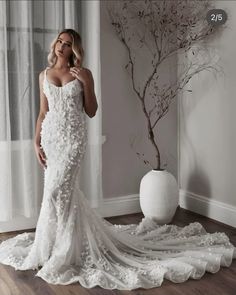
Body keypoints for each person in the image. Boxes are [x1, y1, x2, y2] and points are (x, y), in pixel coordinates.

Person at [0, 28, 235, 290]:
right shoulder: (44, 75)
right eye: (59, 42)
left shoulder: (83, 74)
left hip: (73, 141)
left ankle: (64, 254)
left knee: (59, 192)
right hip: (51, 139)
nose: (61, 47)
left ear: (74, 49)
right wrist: (35, 142)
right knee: (55, 194)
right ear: (55, 44)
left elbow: (91, 111)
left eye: (67, 44)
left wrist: (87, 84)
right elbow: (43, 112)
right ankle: (55, 247)